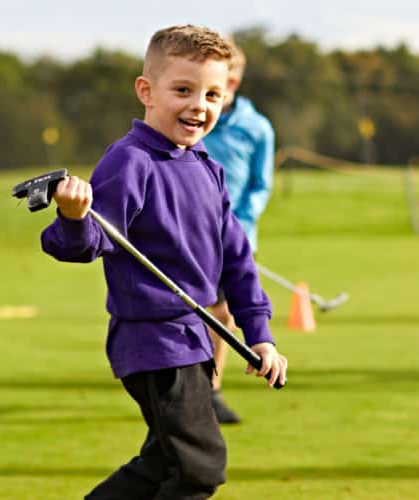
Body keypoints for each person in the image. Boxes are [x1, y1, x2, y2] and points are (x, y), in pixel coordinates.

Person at [41, 25, 287, 500]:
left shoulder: (207, 167)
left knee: (163, 462)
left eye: (213, 94)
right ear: (146, 92)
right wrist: (73, 217)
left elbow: (236, 259)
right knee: (200, 467)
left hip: (193, 340)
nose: (200, 105)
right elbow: (83, 243)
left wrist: (260, 333)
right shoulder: (129, 161)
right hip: (153, 341)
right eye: (184, 90)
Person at [203, 37, 276, 424]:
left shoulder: (257, 128)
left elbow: (260, 185)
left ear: (235, 81)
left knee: (223, 312)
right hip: (189, 236)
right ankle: (186, 389)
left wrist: (241, 222)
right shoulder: (192, 117)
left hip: (237, 237)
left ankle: (211, 391)